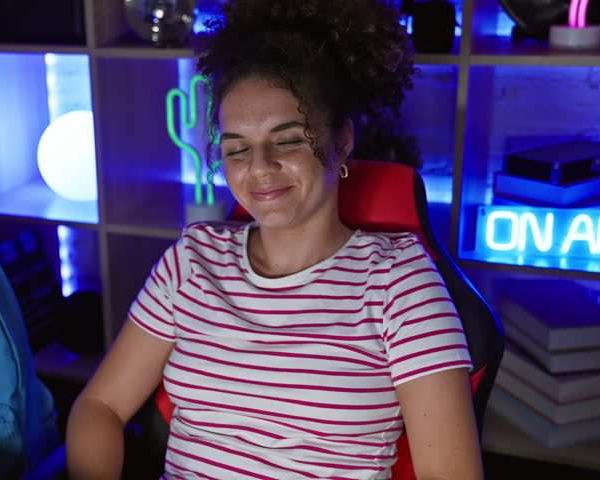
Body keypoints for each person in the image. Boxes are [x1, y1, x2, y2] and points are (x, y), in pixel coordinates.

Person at [66, 1, 483, 479]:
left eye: (287, 140)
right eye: (237, 149)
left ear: (342, 139)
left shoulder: (398, 282)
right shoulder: (191, 262)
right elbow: (100, 405)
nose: (259, 168)